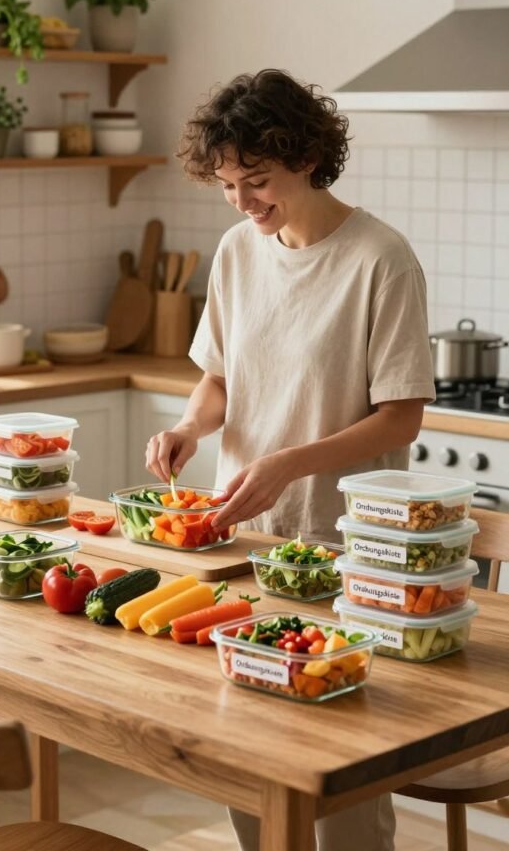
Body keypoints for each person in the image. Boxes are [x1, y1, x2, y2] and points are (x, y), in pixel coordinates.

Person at [145, 68, 435, 851]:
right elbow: (218, 379)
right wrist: (189, 428)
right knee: (248, 752)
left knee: (339, 769)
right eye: (227, 184)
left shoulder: (381, 259)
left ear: (307, 159)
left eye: (257, 181)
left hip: (341, 549)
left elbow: (399, 418)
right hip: (242, 538)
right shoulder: (241, 250)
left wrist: (289, 462)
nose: (242, 202)